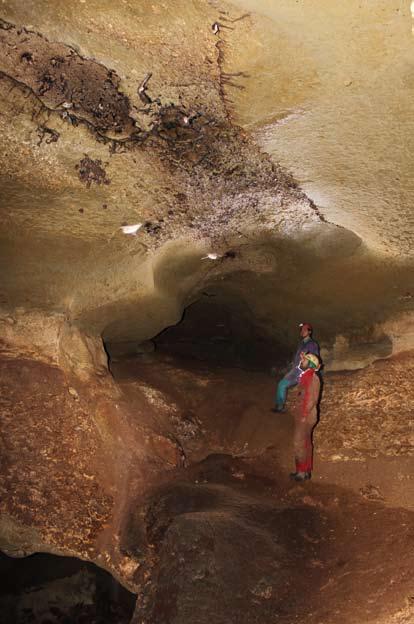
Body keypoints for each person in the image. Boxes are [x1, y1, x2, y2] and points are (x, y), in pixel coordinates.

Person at [271, 323, 319, 413]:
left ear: (310, 331)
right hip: (295, 371)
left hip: (303, 373)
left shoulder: (312, 344)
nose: (302, 331)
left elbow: (314, 360)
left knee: (303, 396)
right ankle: (280, 407)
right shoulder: (301, 344)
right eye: (301, 330)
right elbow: (297, 359)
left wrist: (308, 373)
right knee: (282, 384)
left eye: (305, 329)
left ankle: (301, 416)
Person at [290, 352, 321, 482]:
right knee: (306, 442)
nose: (301, 362)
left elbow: (311, 400)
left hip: (306, 416)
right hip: (306, 415)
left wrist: (303, 415)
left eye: (304, 360)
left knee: (299, 442)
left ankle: (301, 472)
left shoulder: (312, 378)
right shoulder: (308, 376)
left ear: (311, 364)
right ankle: (306, 471)